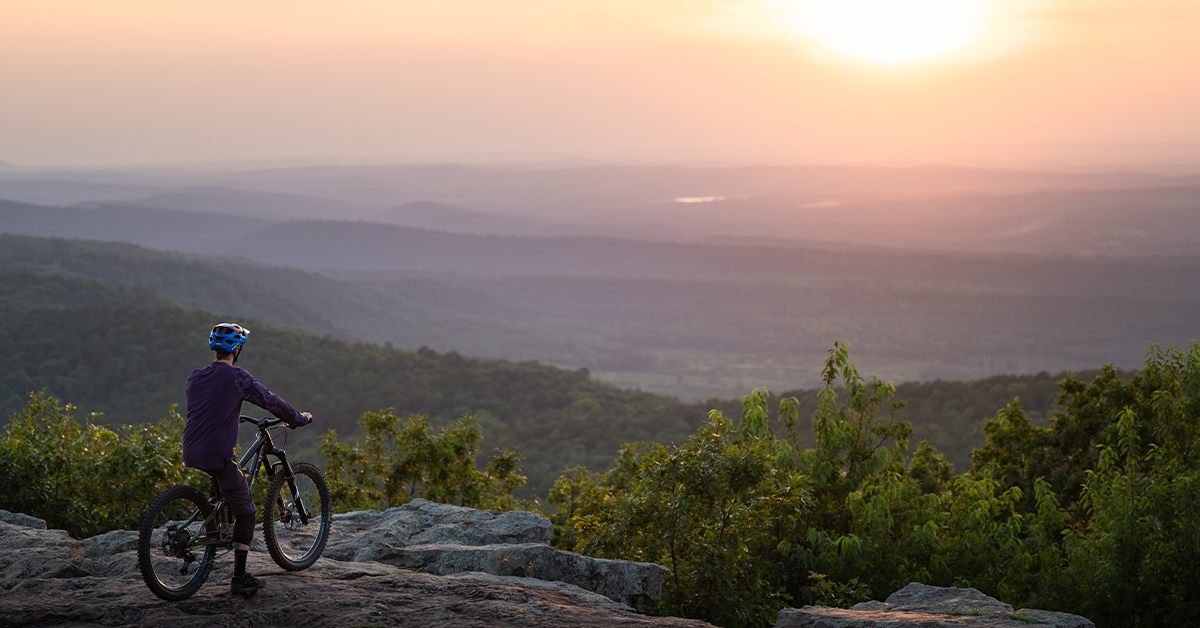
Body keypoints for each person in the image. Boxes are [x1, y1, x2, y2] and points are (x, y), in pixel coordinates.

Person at [182, 322, 312, 597]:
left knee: (226, 486)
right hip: (217, 452)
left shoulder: (195, 376)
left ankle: (217, 526)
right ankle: (239, 579)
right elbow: (270, 400)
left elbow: (205, 407)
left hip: (192, 449)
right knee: (248, 512)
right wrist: (298, 418)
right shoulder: (238, 378)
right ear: (237, 349)